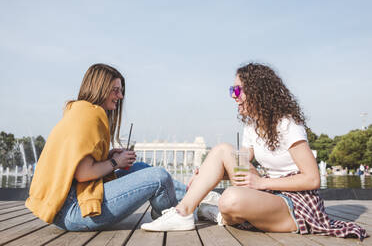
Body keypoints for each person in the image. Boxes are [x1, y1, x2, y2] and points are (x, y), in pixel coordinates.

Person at [141, 63, 367, 240]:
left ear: (257, 91)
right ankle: (183, 212)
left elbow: (312, 178)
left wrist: (261, 184)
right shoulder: (252, 125)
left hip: (297, 203)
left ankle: (217, 212)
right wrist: (206, 173)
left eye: (237, 89)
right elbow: (237, 162)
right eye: (232, 89)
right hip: (271, 195)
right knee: (221, 150)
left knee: (229, 200)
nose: (233, 95)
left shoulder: (287, 124)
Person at [25, 63, 186, 231]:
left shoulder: (80, 112)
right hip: (75, 209)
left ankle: (195, 197)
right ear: (99, 89)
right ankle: (172, 214)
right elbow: (83, 173)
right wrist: (115, 162)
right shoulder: (89, 117)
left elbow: (76, 163)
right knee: (159, 177)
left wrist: (109, 156)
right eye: (115, 90)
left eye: (121, 90)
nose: (121, 96)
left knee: (140, 168)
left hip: (72, 201)